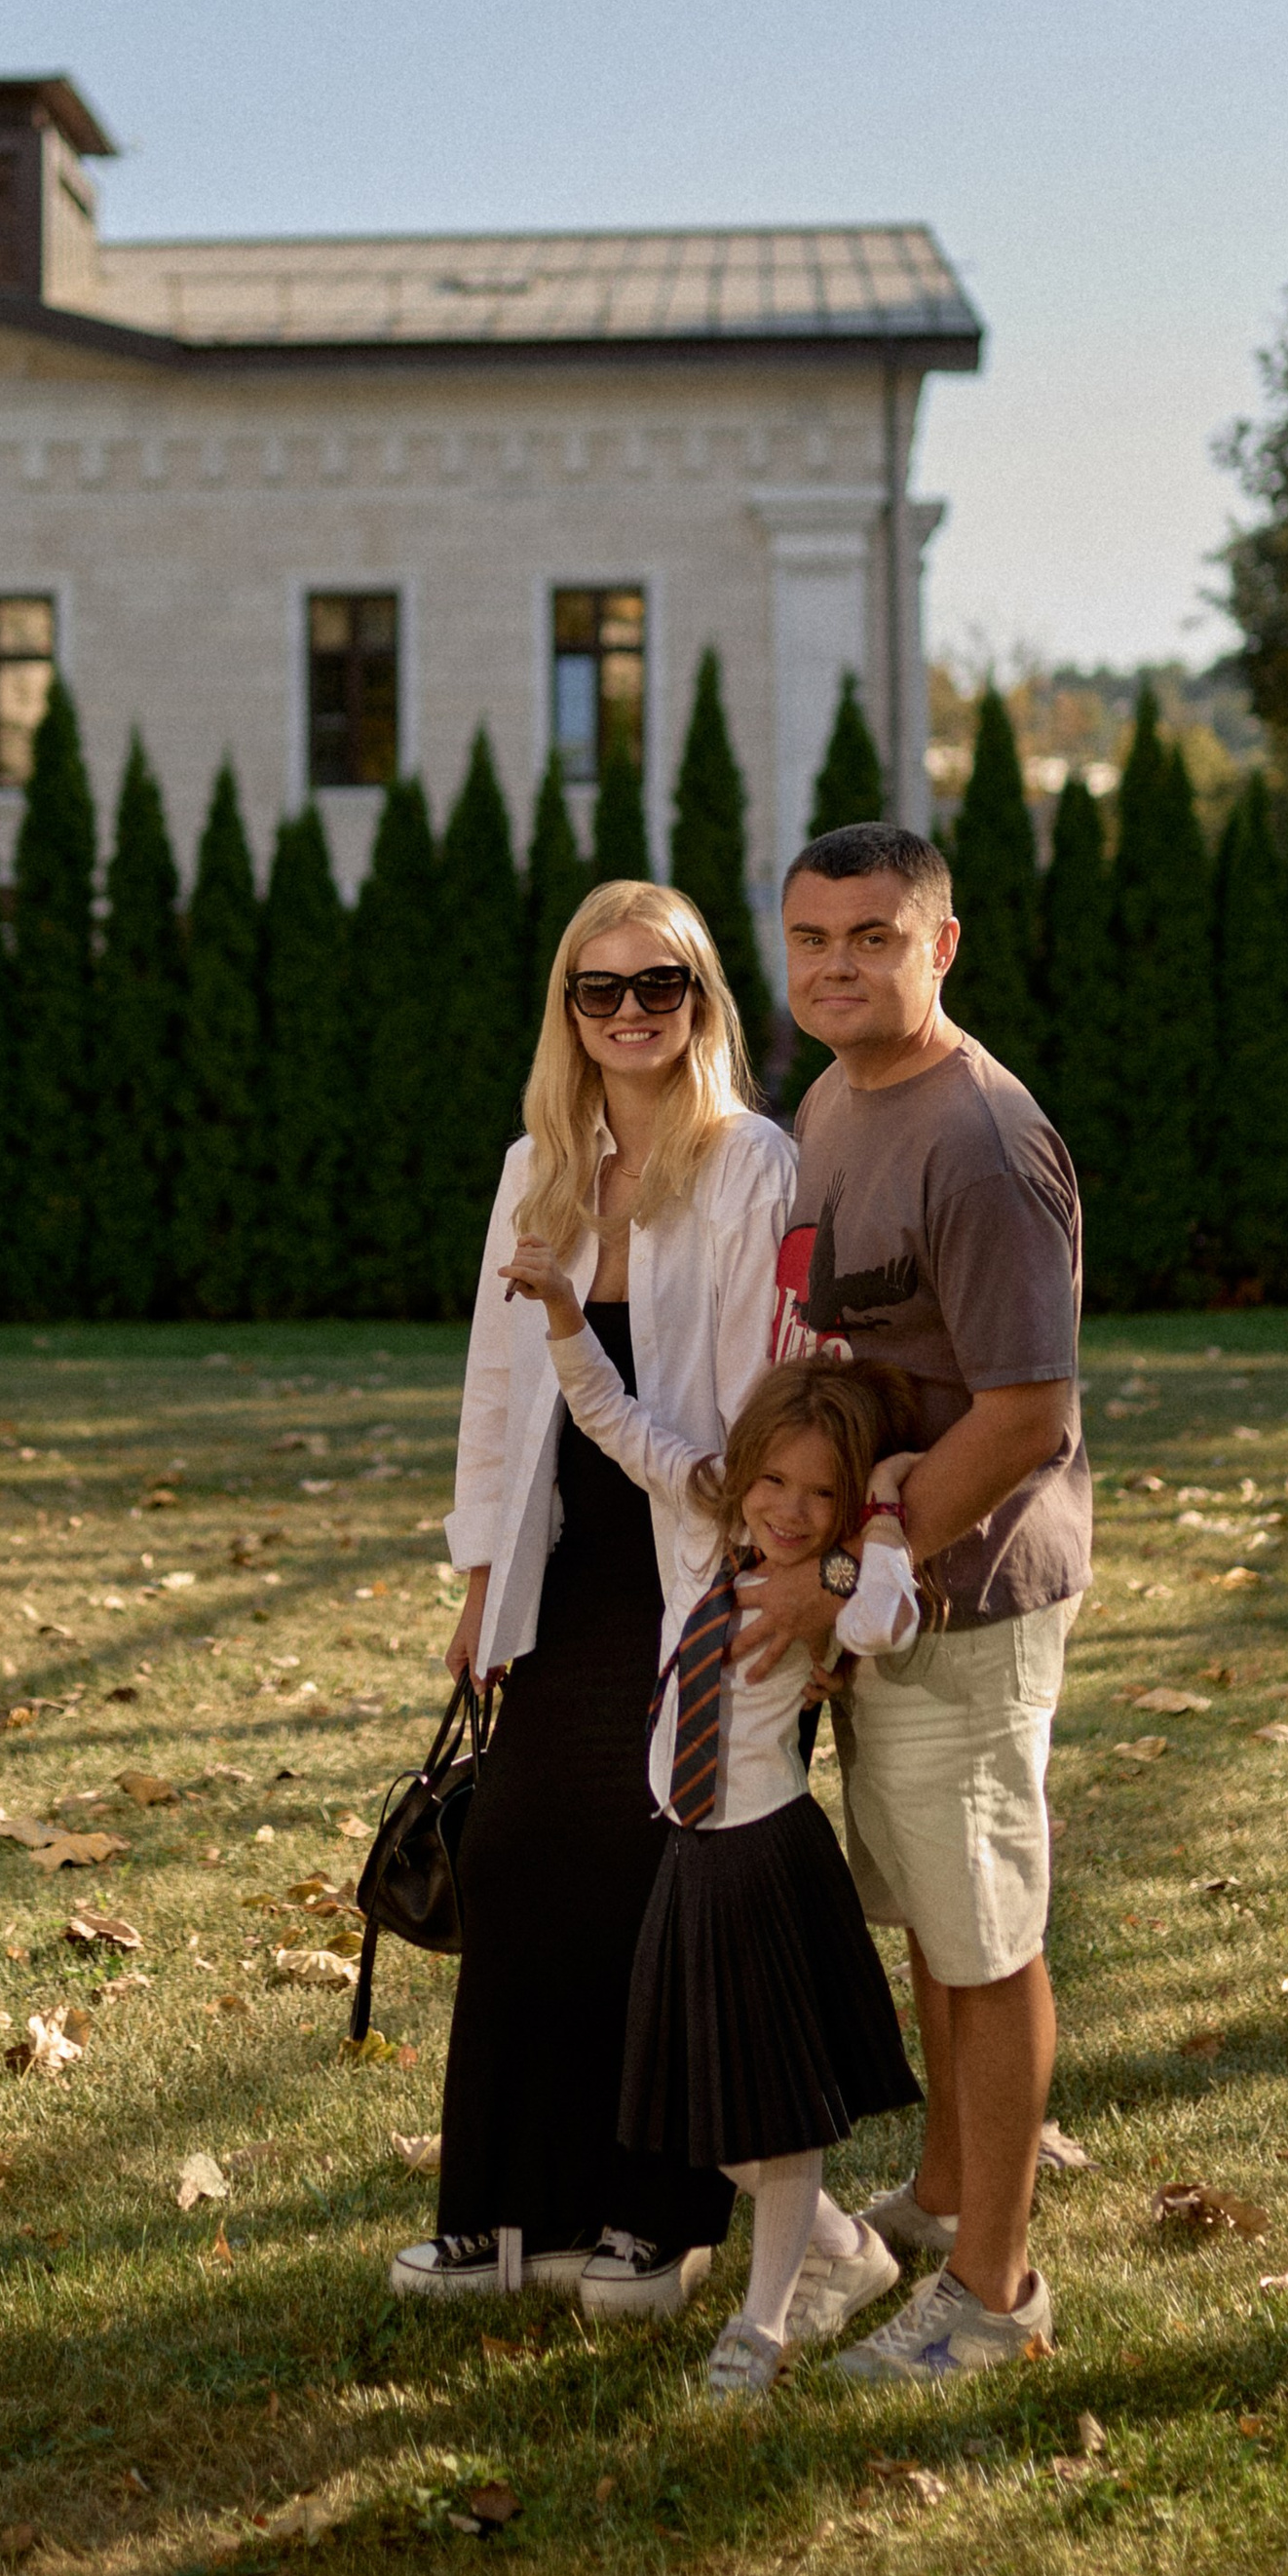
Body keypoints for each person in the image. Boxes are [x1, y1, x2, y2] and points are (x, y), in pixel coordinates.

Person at [389, 876, 795, 2316]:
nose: (630, 1013)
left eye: (659, 986)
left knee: (652, 1876)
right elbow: (497, 1396)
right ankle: (502, 2212)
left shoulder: (753, 1167)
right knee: (513, 1861)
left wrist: (755, 1567)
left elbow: (755, 1416)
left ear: (700, 1001)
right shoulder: (536, 1165)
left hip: (690, 1567)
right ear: (568, 1010)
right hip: (559, 1567)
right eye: (600, 989)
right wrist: (482, 1585)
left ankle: (654, 2220)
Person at [739, 817, 1089, 2388]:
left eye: (872, 937)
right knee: (937, 1929)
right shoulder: (829, 1100)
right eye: (812, 939)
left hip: (968, 1597)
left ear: (939, 946)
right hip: (883, 1601)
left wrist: (844, 1577)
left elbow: (1027, 1416)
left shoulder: (983, 1141)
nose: (835, 966)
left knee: (988, 1934)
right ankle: (948, 2193)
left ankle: (997, 2291)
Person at [504, 1331, 925, 2398]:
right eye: (773, 1479)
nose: (789, 1507)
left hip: (764, 1864)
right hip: (689, 1860)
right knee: (715, 2119)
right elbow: (616, 1421)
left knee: (773, 2115)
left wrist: (876, 1519)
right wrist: (562, 1316)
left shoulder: (825, 1582)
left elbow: (885, 1618)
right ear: (742, 1479)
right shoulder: (711, 1534)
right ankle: (846, 2248)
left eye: (818, 1493)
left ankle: (763, 2320)